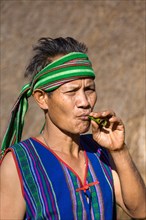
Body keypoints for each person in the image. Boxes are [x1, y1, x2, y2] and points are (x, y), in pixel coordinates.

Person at [0, 37, 146, 220]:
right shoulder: (20, 162)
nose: (85, 102)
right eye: (71, 92)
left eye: (89, 89)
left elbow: (140, 212)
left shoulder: (100, 153)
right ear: (41, 98)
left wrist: (119, 150)